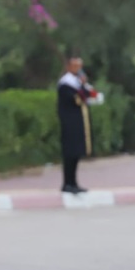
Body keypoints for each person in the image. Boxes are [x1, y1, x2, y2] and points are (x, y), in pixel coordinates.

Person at [56, 57, 94, 193]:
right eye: (75, 66)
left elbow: (91, 95)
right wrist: (82, 86)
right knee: (70, 153)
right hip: (70, 122)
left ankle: (74, 183)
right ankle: (67, 183)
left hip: (78, 122)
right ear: (68, 67)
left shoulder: (77, 82)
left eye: (80, 66)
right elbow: (77, 99)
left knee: (76, 153)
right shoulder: (65, 84)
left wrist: (84, 85)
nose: (78, 69)